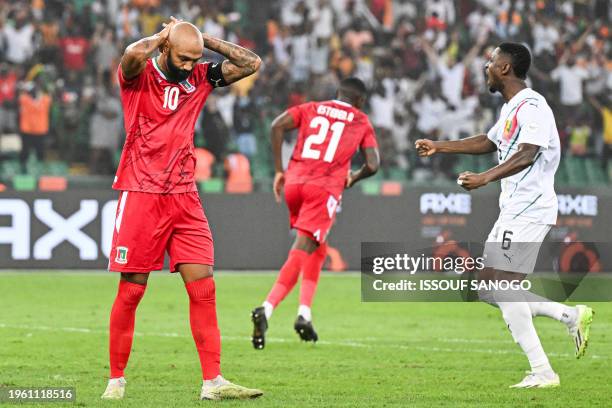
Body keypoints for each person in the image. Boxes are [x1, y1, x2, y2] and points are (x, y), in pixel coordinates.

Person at [101, 17, 263, 401]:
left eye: (196, 59)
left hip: (184, 196)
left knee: (204, 287)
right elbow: (130, 54)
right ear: (165, 49)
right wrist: (163, 36)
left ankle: (213, 382)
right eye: (185, 58)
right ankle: (116, 380)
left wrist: (202, 40)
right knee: (132, 291)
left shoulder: (201, 77)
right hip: (141, 193)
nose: (191, 66)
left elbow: (251, 63)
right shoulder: (138, 76)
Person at [415, 43, 594, 388]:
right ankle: (569, 315)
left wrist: (485, 177)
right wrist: (441, 146)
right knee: (487, 289)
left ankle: (542, 371)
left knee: (500, 286)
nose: (486, 66)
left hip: (530, 207)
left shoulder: (534, 106)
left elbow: (528, 153)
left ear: (506, 69)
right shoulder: (512, 109)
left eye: (492, 61)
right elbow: (488, 141)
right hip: (513, 208)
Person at [251, 77, 380, 349]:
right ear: (360, 100)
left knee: (318, 248)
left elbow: (276, 126)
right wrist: (353, 178)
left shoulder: (311, 108)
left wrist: (278, 170)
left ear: (337, 93)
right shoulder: (360, 119)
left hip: (294, 184)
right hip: (322, 188)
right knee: (302, 246)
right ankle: (267, 307)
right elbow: (373, 164)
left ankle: (304, 314)